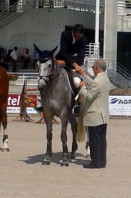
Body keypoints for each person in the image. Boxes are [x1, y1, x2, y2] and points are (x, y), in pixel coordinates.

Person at [77, 59, 111, 169]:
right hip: (103, 115)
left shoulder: (97, 81)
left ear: (96, 68)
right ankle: (101, 161)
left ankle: (95, 162)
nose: (92, 69)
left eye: (92, 67)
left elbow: (89, 96)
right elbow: (94, 85)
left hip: (94, 115)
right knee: (101, 139)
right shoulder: (105, 79)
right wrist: (83, 74)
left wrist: (82, 87)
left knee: (94, 140)